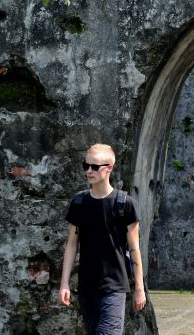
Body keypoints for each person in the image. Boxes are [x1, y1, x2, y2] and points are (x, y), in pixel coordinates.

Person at [59, 143, 146, 335]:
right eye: (86, 166)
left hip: (114, 287)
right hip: (86, 288)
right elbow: (72, 245)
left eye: (94, 166)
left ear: (109, 168)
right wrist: (64, 283)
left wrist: (139, 288)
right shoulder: (79, 203)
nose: (89, 171)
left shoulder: (126, 204)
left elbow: (134, 249)